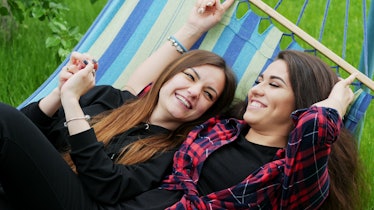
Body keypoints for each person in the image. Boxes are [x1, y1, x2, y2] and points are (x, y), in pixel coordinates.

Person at [0, 0, 236, 209]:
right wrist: (59, 92)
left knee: (5, 117)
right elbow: (20, 136)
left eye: (208, 94)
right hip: (29, 190)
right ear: (167, 76)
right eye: (190, 77)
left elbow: (107, 186)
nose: (194, 92)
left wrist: (71, 102)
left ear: (208, 111)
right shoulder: (111, 99)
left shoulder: (171, 154)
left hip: (79, 202)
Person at [116, 50, 364, 210]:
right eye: (259, 81)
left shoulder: (291, 180)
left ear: (304, 102)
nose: (256, 90)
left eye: (274, 85)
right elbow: (145, 95)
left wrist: (334, 106)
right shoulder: (218, 126)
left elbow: (314, 132)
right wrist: (192, 29)